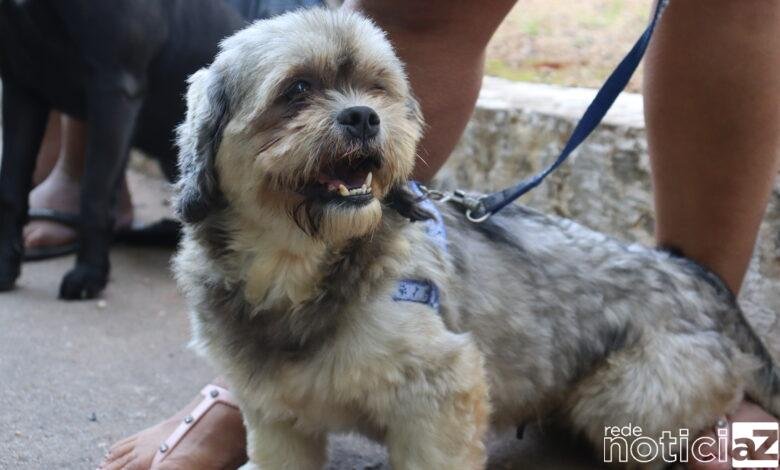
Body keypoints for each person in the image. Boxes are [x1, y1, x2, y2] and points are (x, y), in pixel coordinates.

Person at [100, 1, 780, 469]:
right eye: (298, 93)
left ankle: (749, 436)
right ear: (208, 144)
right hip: (557, 355)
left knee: (629, 439)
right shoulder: (213, 274)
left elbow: (447, 381)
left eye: (376, 92)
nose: (360, 115)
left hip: (650, 343)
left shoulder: (400, 293)